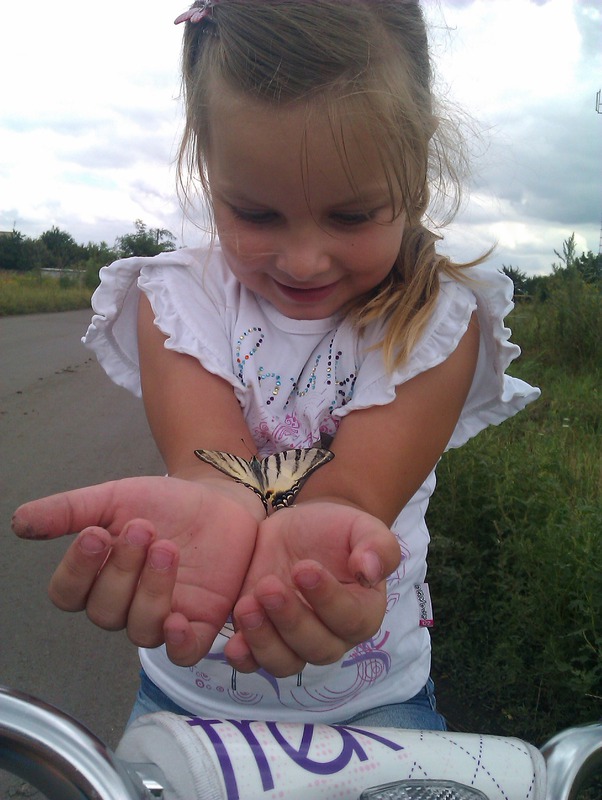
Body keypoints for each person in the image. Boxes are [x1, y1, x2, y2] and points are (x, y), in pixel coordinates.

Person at [12, 0, 539, 732]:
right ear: (207, 164)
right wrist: (222, 513)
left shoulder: (439, 320)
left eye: (351, 216)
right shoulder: (176, 301)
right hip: (188, 693)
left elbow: (351, 495)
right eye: (256, 215)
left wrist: (321, 541)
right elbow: (216, 473)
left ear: (415, 173)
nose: (301, 259)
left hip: (373, 700)